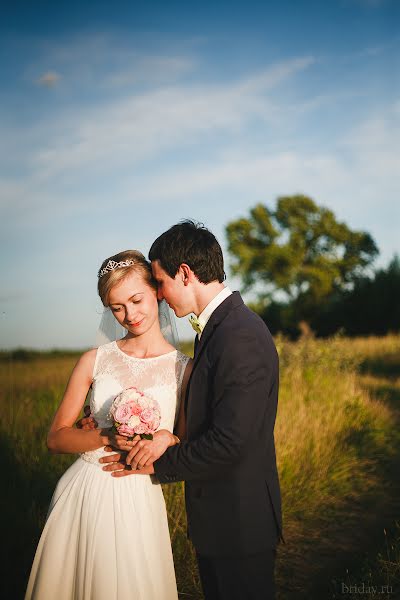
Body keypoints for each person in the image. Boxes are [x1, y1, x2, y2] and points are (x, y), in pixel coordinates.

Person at [98, 222, 284, 600]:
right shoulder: (217, 329)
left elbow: (232, 441)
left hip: (240, 522)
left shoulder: (239, 334)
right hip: (221, 520)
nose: (161, 297)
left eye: (161, 282)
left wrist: (155, 463)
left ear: (185, 274)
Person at [25, 250, 191, 600]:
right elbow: (55, 439)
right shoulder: (94, 360)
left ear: (156, 292)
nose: (129, 315)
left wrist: (166, 437)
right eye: (117, 307)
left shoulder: (184, 368)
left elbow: (188, 441)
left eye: (136, 300)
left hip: (140, 494)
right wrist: (105, 435)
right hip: (86, 491)